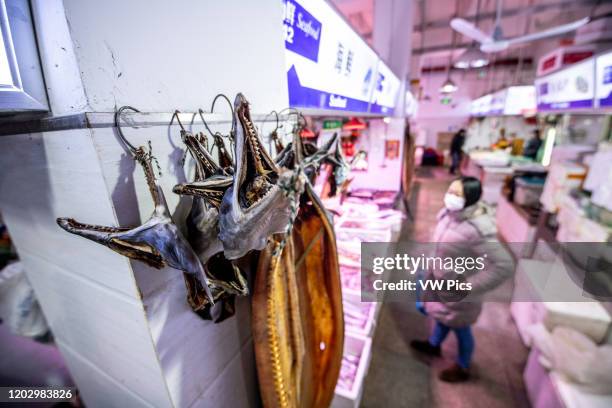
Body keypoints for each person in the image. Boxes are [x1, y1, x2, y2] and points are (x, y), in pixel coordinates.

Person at [410, 177, 514, 383]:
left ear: (470, 198)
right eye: (451, 191)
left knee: (461, 329)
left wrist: (467, 286)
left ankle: (463, 367)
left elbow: (504, 265)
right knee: (443, 318)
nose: (451, 197)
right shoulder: (449, 215)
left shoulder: (477, 231)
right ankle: (433, 345)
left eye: (458, 194)